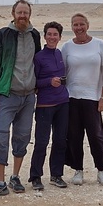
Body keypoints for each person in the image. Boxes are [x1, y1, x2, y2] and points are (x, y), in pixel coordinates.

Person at [0, 0, 41, 200]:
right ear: (13, 14)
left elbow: (38, 62)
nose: (22, 16)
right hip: (7, 95)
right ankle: (0, 182)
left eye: (26, 13)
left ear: (30, 15)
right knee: (1, 137)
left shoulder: (35, 35)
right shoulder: (2, 35)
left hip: (28, 97)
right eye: (19, 12)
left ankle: (15, 177)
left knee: (22, 137)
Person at [61, 13, 103, 187]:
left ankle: (102, 170)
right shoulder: (67, 47)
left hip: (92, 98)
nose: (79, 28)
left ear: (87, 25)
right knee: (74, 135)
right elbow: (62, 72)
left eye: (81, 24)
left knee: (96, 136)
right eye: (75, 25)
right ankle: (78, 170)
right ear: (72, 27)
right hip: (72, 97)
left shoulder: (99, 44)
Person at [27, 21, 69, 190]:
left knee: (60, 140)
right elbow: (34, 82)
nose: (52, 37)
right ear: (44, 36)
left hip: (63, 103)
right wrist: (49, 82)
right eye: (49, 34)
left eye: (55, 35)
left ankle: (56, 175)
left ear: (60, 37)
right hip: (45, 105)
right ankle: (36, 176)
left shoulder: (59, 54)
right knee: (42, 142)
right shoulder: (39, 57)